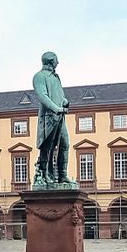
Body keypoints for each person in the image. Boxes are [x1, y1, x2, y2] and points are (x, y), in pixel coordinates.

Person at [33, 51, 71, 186]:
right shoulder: (40, 77)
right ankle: (45, 174)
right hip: (49, 117)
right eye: (56, 60)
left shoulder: (55, 77)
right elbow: (42, 96)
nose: (58, 63)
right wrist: (56, 108)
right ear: (50, 61)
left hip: (59, 116)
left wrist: (64, 101)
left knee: (65, 144)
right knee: (47, 147)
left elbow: (59, 95)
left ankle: (62, 175)